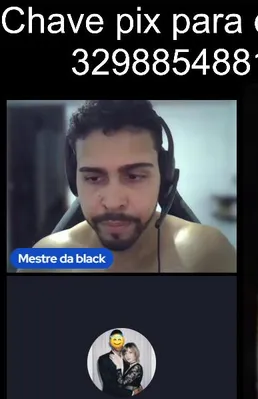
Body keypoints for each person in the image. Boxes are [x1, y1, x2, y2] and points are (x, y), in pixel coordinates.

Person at [31, 100, 236, 273]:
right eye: (93, 178)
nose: (113, 202)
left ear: (164, 176)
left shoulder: (208, 254)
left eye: (134, 176)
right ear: (73, 179)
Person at [96, 329, 135, 398]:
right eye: (114, 339)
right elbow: (109, 385)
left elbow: (130, 377)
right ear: (110, 342)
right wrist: (132, 393)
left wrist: (138, 386)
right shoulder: (103, 359)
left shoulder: (127, 358)